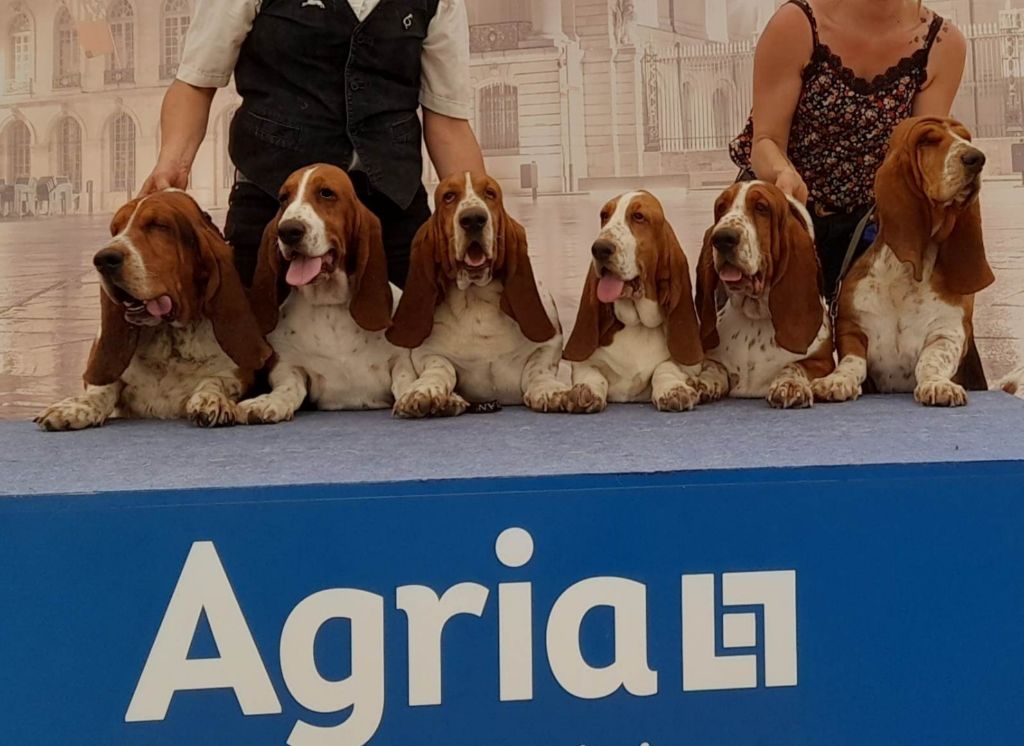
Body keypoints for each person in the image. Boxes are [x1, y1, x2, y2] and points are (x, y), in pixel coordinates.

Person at [141, 0, 485, 288]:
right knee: (256, 350)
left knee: (424, 343)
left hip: (390, 205)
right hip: (273, 199)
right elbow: (195, 82)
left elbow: (448, 120)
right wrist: (174, 162)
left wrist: (480, 208)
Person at [730, 0, 966, 298]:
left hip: (868, 225)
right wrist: (783, 174)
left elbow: (919, 150)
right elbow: (766, 141)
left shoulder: (942, 43)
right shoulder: (797, 23)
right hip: (785, 214)